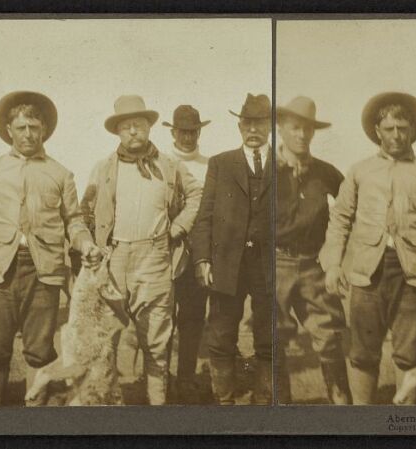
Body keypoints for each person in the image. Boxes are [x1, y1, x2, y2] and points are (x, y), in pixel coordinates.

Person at [0, 91, 102, 406]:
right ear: (9, 130)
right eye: (21, 128)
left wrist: (85, 242)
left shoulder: (60, 174)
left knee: (39, 349)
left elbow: (74, 221)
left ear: (44, 129)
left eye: (34, 127)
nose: (28, 135)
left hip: (44, 273)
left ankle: (33, 418)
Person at [319, 92, 416, 405]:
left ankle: (403, 427)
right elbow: (340, 221)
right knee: (362, 353)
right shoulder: (360, 172)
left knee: (408, 352)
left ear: (412, 129)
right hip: (365, 273)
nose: (397, 135)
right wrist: (333, 264)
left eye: (402, 128)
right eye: (389, 129)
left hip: (411, 275)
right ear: (377, 131)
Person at [80, 95, 202, 405]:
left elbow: (199, 195)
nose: (133, 131)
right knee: (109, 336)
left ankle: (156, 409)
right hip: (115, 258)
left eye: (139, 125)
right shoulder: (103, 168)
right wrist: (91, 246)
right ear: (118, 132)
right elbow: (84, 213)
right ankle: (113, 405)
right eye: (126, 126)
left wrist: (178, 228)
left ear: (149, 127)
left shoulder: (169, 166)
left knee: (157, 340)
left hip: (156, 257)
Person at [190, 93, 274, 405]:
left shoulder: (283, 164)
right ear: (240, 126)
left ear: (270, 126)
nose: (254, 129)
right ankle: (223, 403)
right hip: (227, 263)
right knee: (222, 336)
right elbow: (205, 215)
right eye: (248, 123)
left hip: (268, 266)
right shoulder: (221, 163)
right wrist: (202, 258)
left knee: (268, 337)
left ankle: (264, 402)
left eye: (261, 123)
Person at [274, 96, 350, 404]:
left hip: (312, 266)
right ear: (281, 129)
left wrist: (336, 258)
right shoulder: (264, 172)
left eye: (308, 129)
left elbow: (349, 211)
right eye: (295, 128)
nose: (302, 135)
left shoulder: (326, 173)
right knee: (274, 336)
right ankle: (280, 408)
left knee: (328, 336)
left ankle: (341, 404)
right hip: (275, 264)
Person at [161, 104, 211, 404]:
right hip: (165, 251)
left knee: (193, 318)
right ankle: (161, 378)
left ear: (199, 132)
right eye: (183, 132)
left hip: (197, 252)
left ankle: (187, 378)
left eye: (193, 132)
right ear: (173, 132)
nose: (188, 137)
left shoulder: (210, 165)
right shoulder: (160, 163)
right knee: (162, 317)